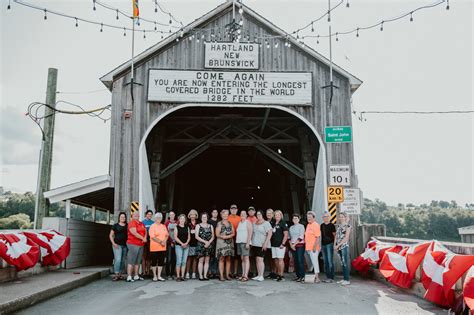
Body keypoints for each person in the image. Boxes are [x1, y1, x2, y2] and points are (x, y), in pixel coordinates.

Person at [251, 210, 272, 282]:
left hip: (262, 244)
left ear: (262, 215)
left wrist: (265, 243)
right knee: (257, 259)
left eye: (260, 214)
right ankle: (258, 275)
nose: (258, 215)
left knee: (260, 259)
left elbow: (270, 233)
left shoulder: (266, 223)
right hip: (255, 244)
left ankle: (261, 275)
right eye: (257, 214)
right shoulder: (254, 223)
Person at [126, 211, 147, 282]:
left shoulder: (141, 223)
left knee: (138, 261)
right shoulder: (132, 223)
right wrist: (143, 238)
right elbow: (134, 232)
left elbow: (145, 231)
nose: (137, 215)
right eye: (135, 214)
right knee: (131, 260)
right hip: (133, 244)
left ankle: (136, 275)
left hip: (141, 244)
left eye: (138, 215)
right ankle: (129, 276)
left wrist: (145, 237)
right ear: (132, 215)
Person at [215, 209, 235, 281]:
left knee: (228, 259)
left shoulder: (230, 223)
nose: (225, 215)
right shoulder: (219, 223)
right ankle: (221, 276)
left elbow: (233, 233)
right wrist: (224, 237)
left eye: (226, 214)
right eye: (224, 214)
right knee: (221, 258)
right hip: (221, 243)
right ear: (221, 215)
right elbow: (217, 234)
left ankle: (227, 275)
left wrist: (228, 236)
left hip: (229, 243)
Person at [149, 212, 168, 282]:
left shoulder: (163, 226)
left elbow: (167, 235)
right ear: (155, 218)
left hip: (162, 247)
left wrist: (164, 241)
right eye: (157, 218)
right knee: (154, 262)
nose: (159, 219)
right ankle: (154, 276)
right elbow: (152, 236)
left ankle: (159, 275)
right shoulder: (152, 226)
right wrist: (160, 242)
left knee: (161, 262)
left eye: (160, 218)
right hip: (154, 247)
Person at [195, 212, 214, 280]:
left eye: (205, 217)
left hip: (209, 245)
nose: (204, 218)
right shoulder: (198, 226)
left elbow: (213, 236)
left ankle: (205, 275)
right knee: (201, 260)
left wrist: (208, 242)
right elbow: (196, 236)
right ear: (201, 218)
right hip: (200, 245)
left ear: (207, 218)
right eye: (203, 217)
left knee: (207, 260)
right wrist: (205, 242)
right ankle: (200, 275)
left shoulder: (210, 226)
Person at [270, 210, 288, 282]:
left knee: (280, 259)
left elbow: (286, 234)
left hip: (280, 245)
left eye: (278, 215)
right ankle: (278, 273)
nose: (277, 216)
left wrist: (283, 243)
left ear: (281, 215)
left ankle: (281, 275)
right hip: (273, 244)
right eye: (276, 215)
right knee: (275, 259)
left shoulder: (283, 223)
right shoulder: (273, 223)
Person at [109, 211, 128, 281]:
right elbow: (111, 235)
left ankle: (120, 274)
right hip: (117, 245)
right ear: (119, 218)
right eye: (121, 217)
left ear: (125, 218)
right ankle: (116, 274)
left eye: (124, 217)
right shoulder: (115, 225)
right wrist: (113, 243)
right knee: (118, 259)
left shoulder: (127, 225)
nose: (123, 218)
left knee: (123, 261)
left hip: (125, 246)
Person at [335, 212, 352, 286]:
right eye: (340, 217)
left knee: (345, 263)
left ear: (345, 217)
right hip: (338, 246)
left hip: (344, 246)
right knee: (342, 263)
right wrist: (334, 245)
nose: (341, 218)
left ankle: (347, 280)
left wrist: (338, 245)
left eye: (342, 217)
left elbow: (346, 238)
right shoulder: (339, 225)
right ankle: (344, 279)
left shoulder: (348, 226)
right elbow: (336, 236)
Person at [236, 210, 253, 281]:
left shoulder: (248, 222)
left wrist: (248, 243)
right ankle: (243, 274)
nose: (242, 215)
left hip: (245, 243)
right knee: (242, 259)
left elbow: (250, 233)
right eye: (241, 214)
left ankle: (246, 275)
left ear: (246, 215)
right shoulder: (239, 223)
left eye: (244, 214)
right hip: (239, 243)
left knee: (246, 258)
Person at [304, 211, 321, 283]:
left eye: (310, 217)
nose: (309, 219)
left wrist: (314, 247)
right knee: (311, 263)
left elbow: (318, 237)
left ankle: (317, 277)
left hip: (313, 248)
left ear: (314, 218)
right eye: (308, 217)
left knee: (315, 262)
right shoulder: (308, 225)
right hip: (308, 247)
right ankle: (314, 276)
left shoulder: (316, 225)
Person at [289, 214, 305, 282]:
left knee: (300, 260)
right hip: (293, 246)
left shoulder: (301, 226)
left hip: (300, 246)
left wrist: (294, 244)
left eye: (296, 218)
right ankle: (298, 276)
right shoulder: (291, 227)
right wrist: (291, 245)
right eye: (294, 218)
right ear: (292, 220)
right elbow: (289, 237)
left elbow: (301, 237)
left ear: (299, 219)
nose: (295, 219)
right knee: (295, 261)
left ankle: (302, 276)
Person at [174, 214, 190, 282]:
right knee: (179, 261)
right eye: (181, 218)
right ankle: (178, 276)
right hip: (178, 246)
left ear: (185, 220)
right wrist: (182, 243)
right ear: (179, 220)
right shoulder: (176, 227)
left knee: (184, 262)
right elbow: (175, 237)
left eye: (183, 219)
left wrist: (186, 243)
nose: (182, 220)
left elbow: (189, 236)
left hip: (186, 246)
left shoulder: (187, 227)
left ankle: (182, 276)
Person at [321, 211, 336, 283]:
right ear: (322, 218)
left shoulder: (332, 225)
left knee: (330, 261)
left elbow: (334, 235)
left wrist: (335, 244)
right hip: (323, 245)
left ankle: (331, 278)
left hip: (330, 244)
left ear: (329, 217)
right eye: (324, 216)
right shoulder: (321, 225)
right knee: (325, 261)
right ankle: (327, 277)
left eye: (327, 216)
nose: (325, 218)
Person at [227, 204, 240, 278]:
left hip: (237, 240)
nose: (233, 210)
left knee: (236, 257)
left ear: (237, 210)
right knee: (229, 256)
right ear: (230, 210)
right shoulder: (227, 218)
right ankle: (228, 272)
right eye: (232, 208)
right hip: (229, 240)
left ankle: (235, 272)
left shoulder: (240, 218)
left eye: (235, 208)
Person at [186, 209, 199, 279]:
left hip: (197, 243)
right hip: (189, 243)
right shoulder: (187, 223)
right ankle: (187, 273)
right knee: (189, 258)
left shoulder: (198, 223)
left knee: (195, 258)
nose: (193, 216)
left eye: (194, 214)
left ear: (196, 215)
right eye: (191, 214)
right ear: (189, 216)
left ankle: (194, 273)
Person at [141, 210, 154, 277]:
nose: (149, 215)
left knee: (149, 257)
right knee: (143, 257)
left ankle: (148, 272)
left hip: (151, 241)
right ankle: (143, 272)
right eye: (148, 214)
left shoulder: (153, 222)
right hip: (144, 241)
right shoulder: (142, 222)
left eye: (151, 214)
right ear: (146, 215)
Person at [265, 208, 277, 279]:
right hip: (267, 242)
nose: (269, 214)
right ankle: (271, 272)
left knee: (274, 258)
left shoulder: (275, 222)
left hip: (273, 242)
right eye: (267, 213)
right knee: (269, 258)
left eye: (270, 213)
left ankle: (275, 273)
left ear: (273, 214)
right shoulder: (265, 222)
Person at [165, 211, 177, 279]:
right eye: (170, 215)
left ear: (174, 215)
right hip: (169, 243)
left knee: (174, 259)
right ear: (169, 215)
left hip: (176, 243)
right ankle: (167, 274)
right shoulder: (167, 223)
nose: (172, 215)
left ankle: (173, 273)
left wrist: (175, 241)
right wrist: (171, 241)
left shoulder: (177, 222)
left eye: (173, 214)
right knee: (169, 259)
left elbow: (177, 232)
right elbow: (166, 233)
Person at [208, 209, 219, 279]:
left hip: (218, 241)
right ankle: (209, 272)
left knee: (216, 257)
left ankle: (215, 272)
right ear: (212, 213)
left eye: (216, 212)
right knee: (210, 257)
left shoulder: (219, 221)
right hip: (210, 241)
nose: (215, 213)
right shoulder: (209, 221)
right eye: (214, 212)